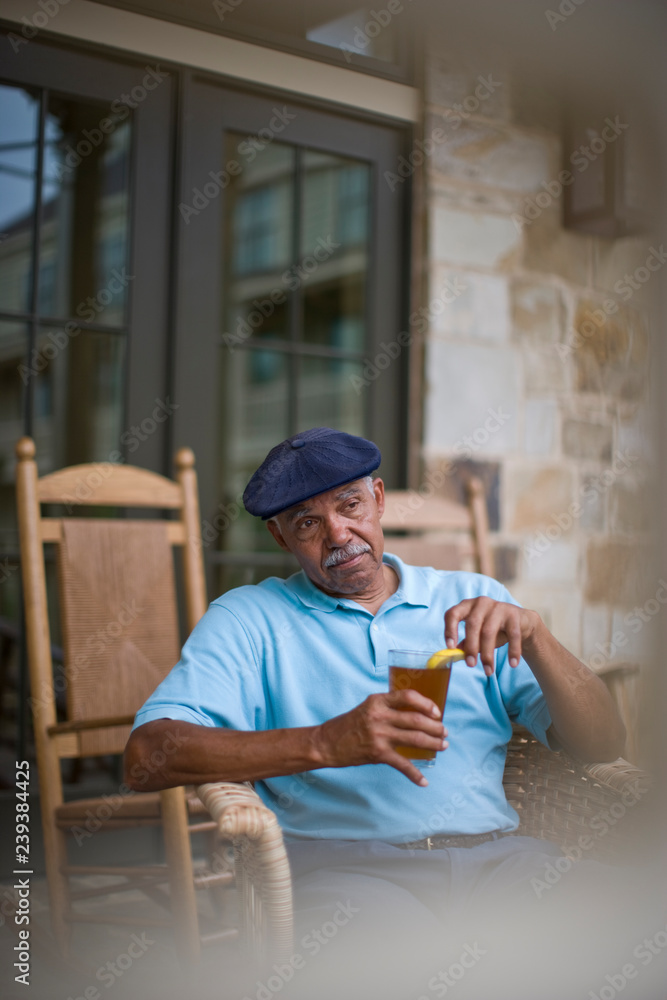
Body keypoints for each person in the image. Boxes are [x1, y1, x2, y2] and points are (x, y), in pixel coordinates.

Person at [124, 427, 628, 996]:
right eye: (307, 522)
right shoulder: (249, 619)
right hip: (350, 878)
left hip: (503, 865)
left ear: (379, 499)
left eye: (350, 505)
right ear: (279, 536)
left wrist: (538, 639)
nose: (339, 534)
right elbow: (146, 757)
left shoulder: (473, 599)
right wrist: (325, 743)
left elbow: (605, 743)